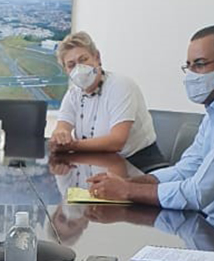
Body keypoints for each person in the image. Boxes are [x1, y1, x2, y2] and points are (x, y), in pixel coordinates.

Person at [88, 25, 214, 244]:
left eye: (199, 65)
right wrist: (127, 182)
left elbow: (198, 192)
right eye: (188, 66)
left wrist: (127, 190)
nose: (191, 75)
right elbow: (187, 169)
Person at [48, 31, 165, 171]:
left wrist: (71, 146)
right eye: (71, 65)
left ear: (97, 57)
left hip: (138, 166)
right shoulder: (73, 93)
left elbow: (116, 142)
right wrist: (60, 135)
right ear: (66, 70)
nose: (79, 69)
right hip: (97, 163)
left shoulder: (120, 86)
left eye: (83, 59)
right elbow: (62, 127)